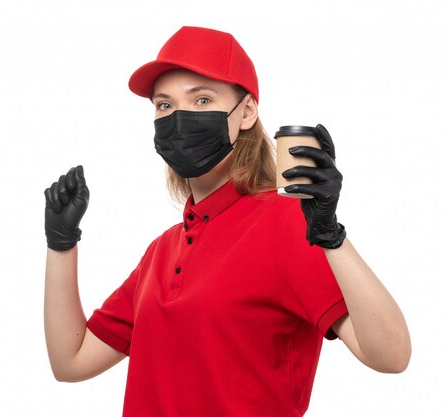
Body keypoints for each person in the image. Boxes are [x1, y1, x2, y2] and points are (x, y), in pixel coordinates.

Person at [43, 26, 411, 416]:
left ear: (247, 112)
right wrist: (61, 244)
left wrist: (330, 235)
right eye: (164, 105)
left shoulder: (285, 222)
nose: (179, 117)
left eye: (202, 99)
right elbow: (71, 361)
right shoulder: (162, 250)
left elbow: (391, 356)